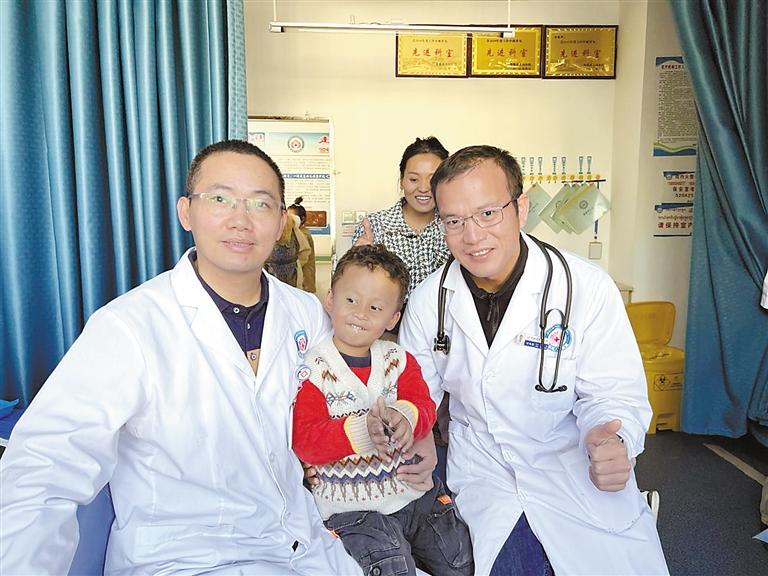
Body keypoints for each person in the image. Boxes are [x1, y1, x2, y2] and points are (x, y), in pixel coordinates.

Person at [0, 140, 364, 575]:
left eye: (260, 204)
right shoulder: (129, 326)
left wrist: (406, 439)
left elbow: (343, 404)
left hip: (303, 544)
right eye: (220, 199)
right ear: (186, 212)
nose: (240, 219)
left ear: (281, 222)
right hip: (185, 557)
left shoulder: (304, 312)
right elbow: (46, 465)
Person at [399, 145, 669, 575]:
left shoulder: (586, 289)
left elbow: (614, 393)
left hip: (570, 461)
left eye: (488, 213)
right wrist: (415, 433)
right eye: (454, 221)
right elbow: (417, 397)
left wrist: (613, 442)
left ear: (520, 208)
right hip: (484, 465)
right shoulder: (429, 301)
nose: (472, 236)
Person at [292, 244, 473, 576]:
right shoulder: (313, 369)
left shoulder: (398, 360)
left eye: (375, 307)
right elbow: (305, 440)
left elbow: (424, 405)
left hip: (414, 496)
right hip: (352, 508)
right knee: (391, 566)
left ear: (393, 318)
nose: (361, 313)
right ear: (330, 300)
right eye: (351, 300)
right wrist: (363, 431)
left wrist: (405, 417)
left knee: (458, 559)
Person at [353, 136, 450, 296]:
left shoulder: (456, 225)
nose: (424, 188)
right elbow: (354, 290)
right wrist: (356, 266)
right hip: (389, 312)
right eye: (414, 179)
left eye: (433, 180)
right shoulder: (375, 226)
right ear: (402, 181)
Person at [266, 205, 311, 288]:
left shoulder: (293, 228)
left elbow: (305, 250)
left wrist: (296, 264)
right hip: (269, 273)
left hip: (292, 275)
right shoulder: (264, 227)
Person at [288, 197, 316, 293]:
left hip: (304, 281)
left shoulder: (303, 234)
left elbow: (303, 257)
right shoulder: (296, 232)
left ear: (302, 219)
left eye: (292, 218)